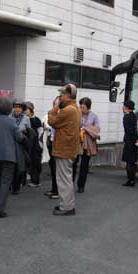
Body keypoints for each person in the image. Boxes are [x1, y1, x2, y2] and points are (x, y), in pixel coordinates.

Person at [47, 84, 81, 216]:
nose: (60, 96)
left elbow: (52, 121)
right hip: (69, 148)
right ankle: (67, 204)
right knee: (66, 178)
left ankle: (66, 207)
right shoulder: (75, 108)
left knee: (63, 179)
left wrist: (54, 107)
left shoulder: (68, 110)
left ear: (67, 95)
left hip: (64, 149)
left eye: (62, 94)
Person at [73, 97, 100, 193]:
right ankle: (70, 184)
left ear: (88, 107)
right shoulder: (77, 114)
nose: (81, 109)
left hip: (87, 144)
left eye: (83, 107)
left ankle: (81, 185)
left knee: (84, 165)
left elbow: (97, 129)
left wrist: (85, 128)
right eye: (80, 107)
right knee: (73, 163)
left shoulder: (94, 116)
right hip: (77, 142)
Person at [11, 100, 31, 194]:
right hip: (10, 145)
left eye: (19, 107)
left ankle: (17, 186)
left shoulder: (26, 118)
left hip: (21, 145)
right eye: (15, 106)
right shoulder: (9, 117)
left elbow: (29, 132)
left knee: (20, 167)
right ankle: (11, 185)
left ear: (22, 108)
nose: (17, 109)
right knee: (11, 166)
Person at [25, 101, 44, 187]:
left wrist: (40, 144)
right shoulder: (23, 119)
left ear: (31, 110)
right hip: (26, 144)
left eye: (26, 109)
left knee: (35, 163)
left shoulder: (36, 120)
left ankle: (35, 181)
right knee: (27, 162)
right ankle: (23, 180)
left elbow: (40, 132)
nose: (25, 111)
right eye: (24, 109)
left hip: (35, 145)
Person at [122, 100, 138, 187]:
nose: (123, 107)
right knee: (133, 162)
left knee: (129, 162)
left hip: (129, 142)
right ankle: (133, 179)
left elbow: (127, 131)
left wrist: (127, 140)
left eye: (124, 106)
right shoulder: (134, 116)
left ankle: (129, 180)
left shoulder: (126, 117)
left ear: (126, 107)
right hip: (135, 141)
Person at [42, 114, 59, 199]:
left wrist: (48, 127)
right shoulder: (52, 116)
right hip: (51, 144)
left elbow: (56, 128)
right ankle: (54, 190)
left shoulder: (62, 116)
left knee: (57, 170)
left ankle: (57, 191)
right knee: (53, 169)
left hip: (58, 146)